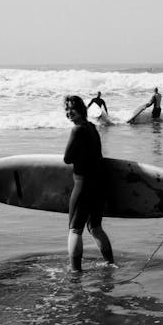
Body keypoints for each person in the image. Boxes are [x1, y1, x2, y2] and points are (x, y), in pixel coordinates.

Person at [63, 95, 114, 272]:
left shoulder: (77, 130)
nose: (69, 112)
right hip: (98, 184)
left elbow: (67, 158)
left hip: (83, 184)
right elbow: (97, 156)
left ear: (81, 109)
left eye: (72, 109)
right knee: (95, 227)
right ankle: (110, 263)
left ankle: (75, 271)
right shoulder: (92, 127)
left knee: (75, 229)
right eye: (66, 109)